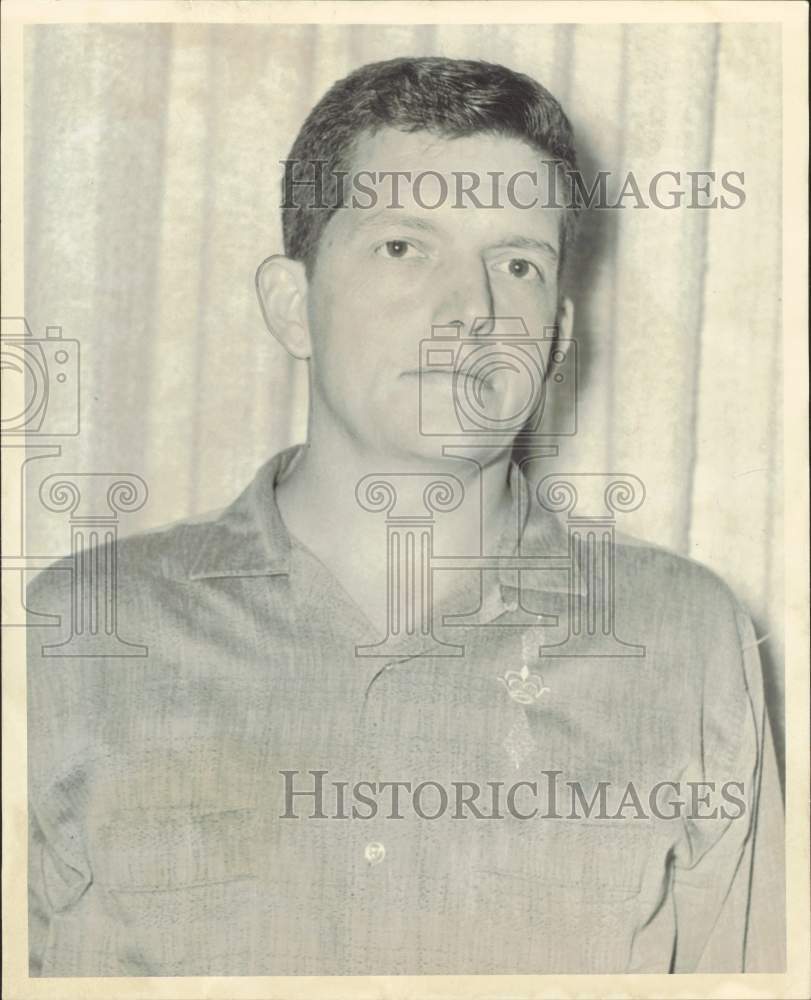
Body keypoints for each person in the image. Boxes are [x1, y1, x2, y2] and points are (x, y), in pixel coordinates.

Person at [27, 56, 785, 977]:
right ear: (291, 305)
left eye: (516, 262)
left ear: (558, 338)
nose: (471, 311)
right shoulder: (76, 636)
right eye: (403, 247)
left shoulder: (685, 644)